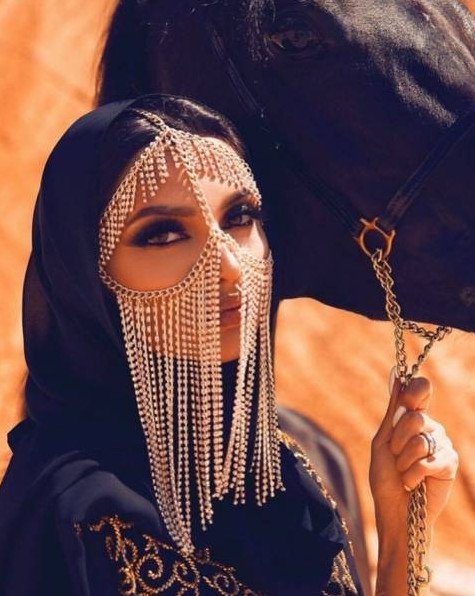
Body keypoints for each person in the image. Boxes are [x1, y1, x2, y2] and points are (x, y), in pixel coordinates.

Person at [0, 94, 457, 595]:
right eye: (164, 235)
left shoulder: (279, 470)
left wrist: (399, 534)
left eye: (239, 217)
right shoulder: (79, 515)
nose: (230, 267)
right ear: (86, 275)